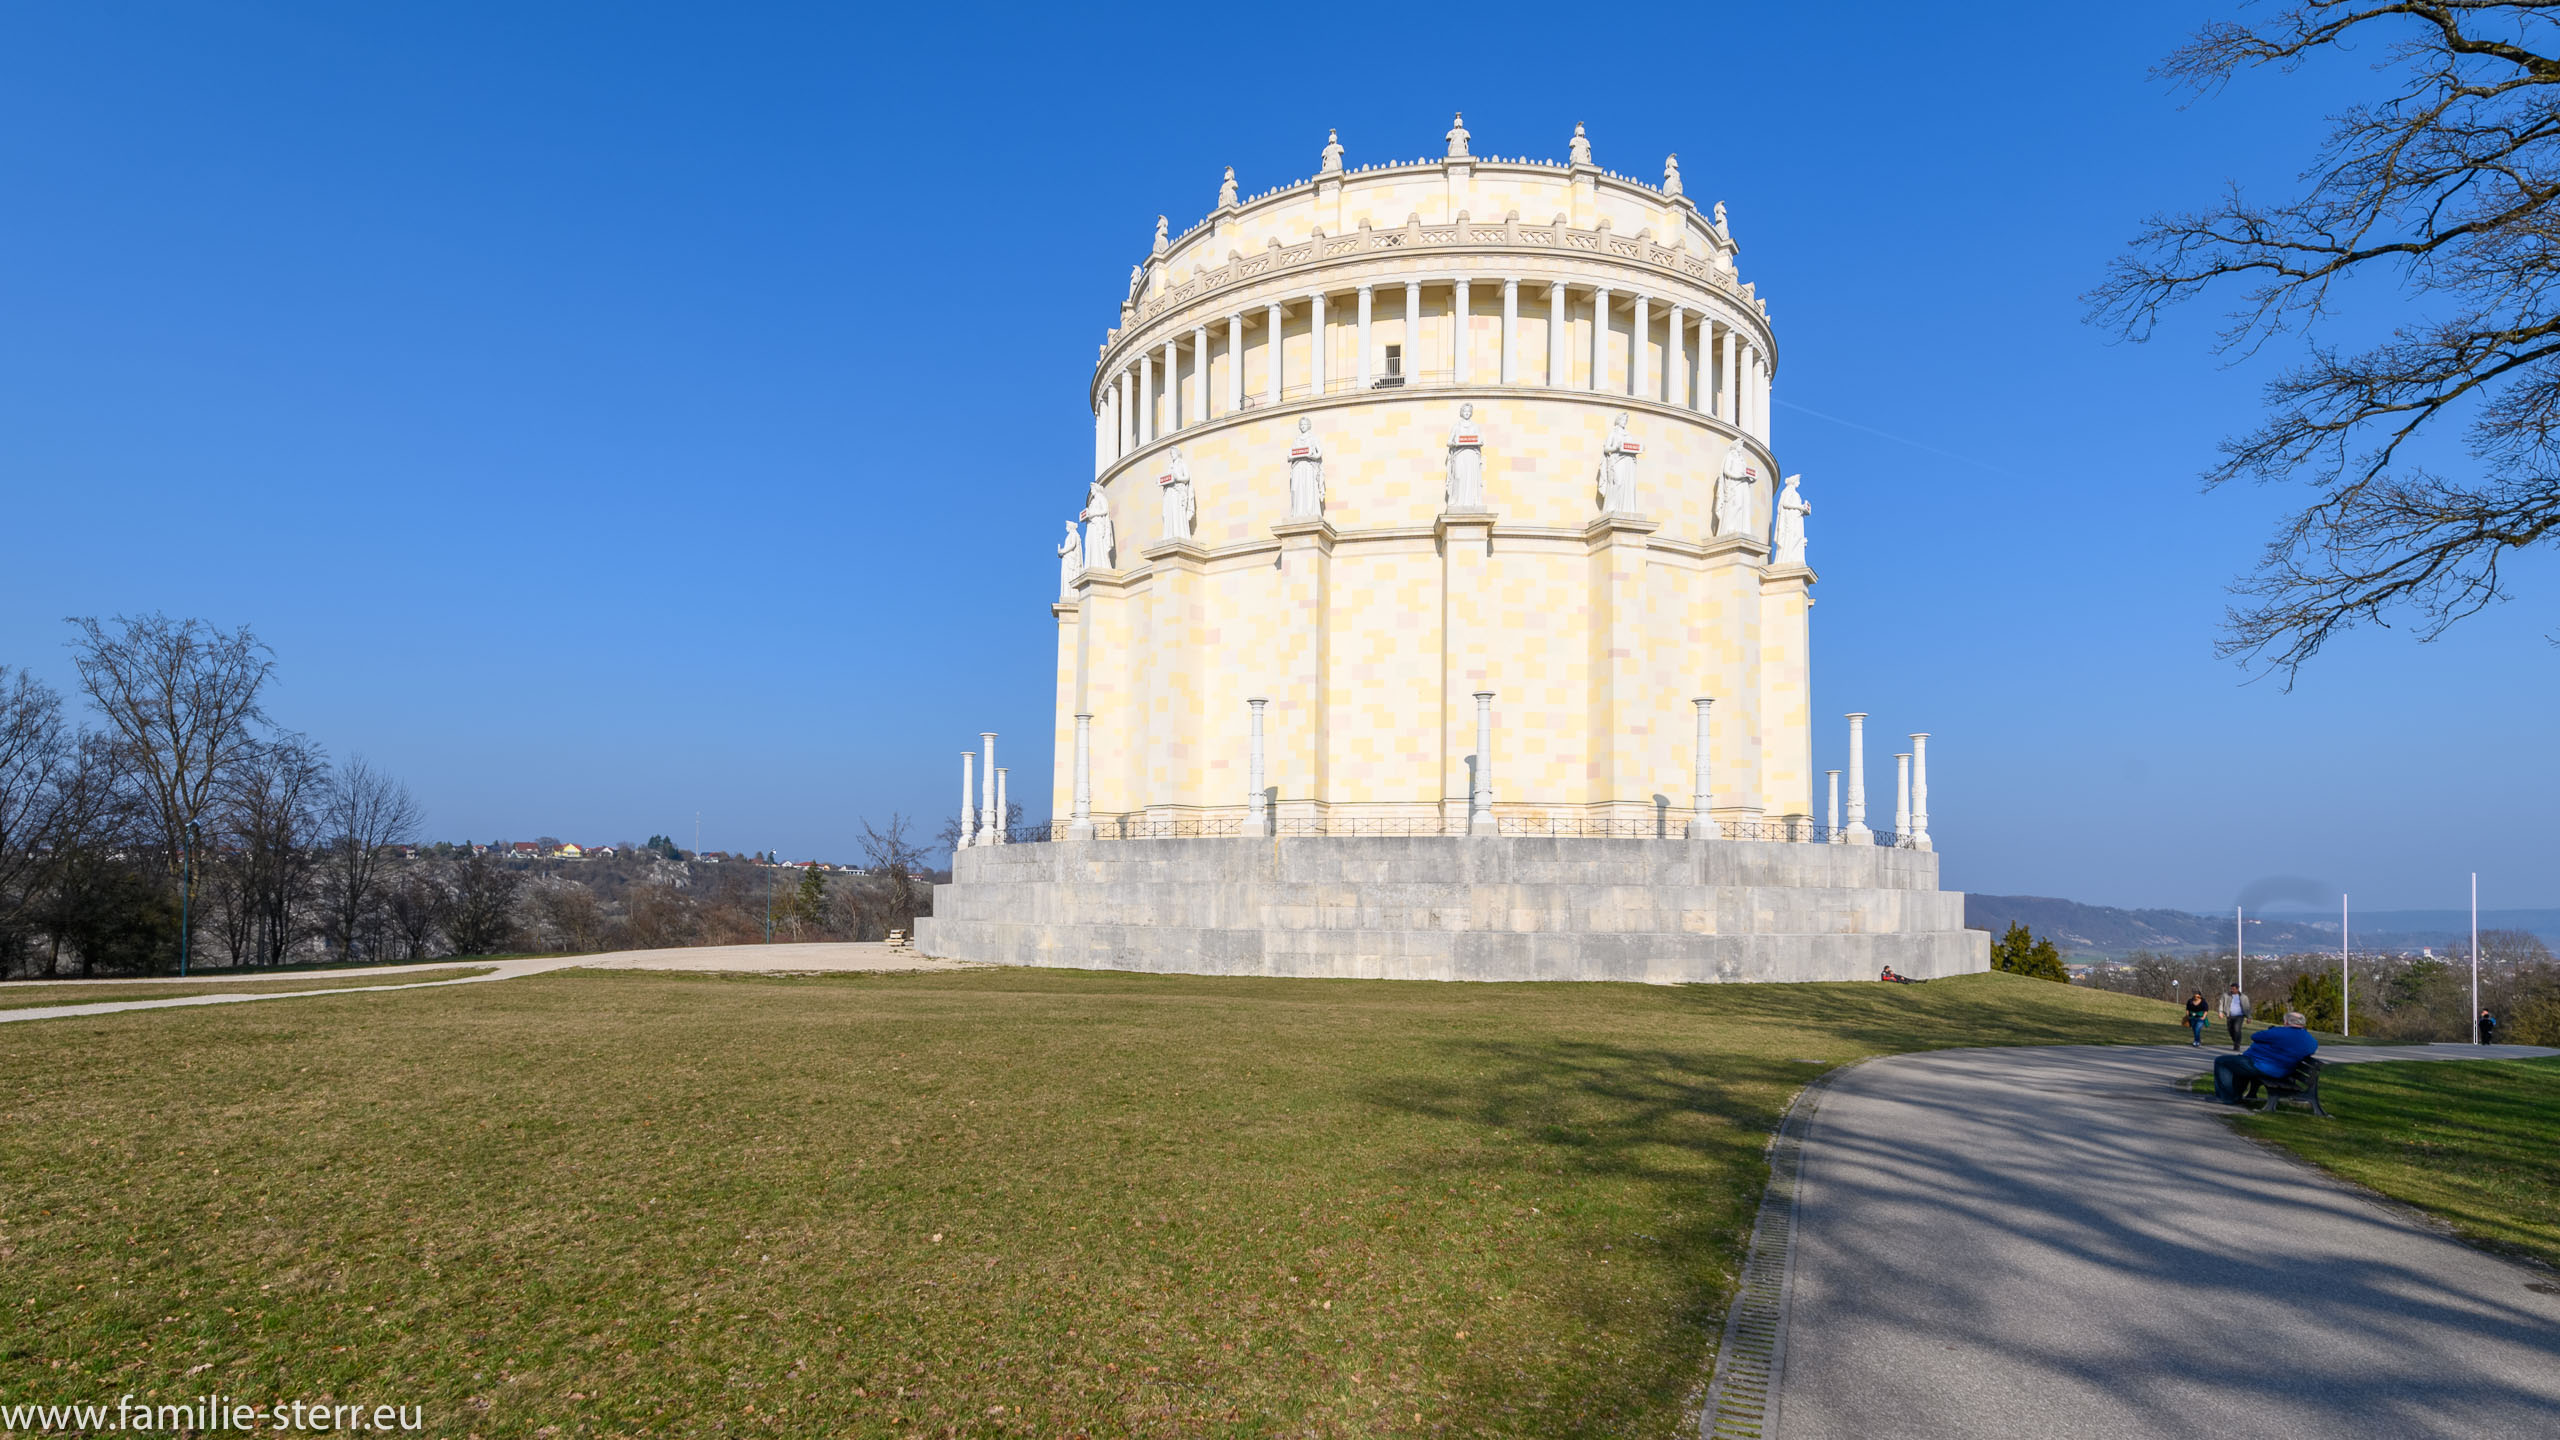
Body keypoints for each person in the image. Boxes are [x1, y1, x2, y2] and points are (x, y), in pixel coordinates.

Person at [2213, 1010, 2318, 1105]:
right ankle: (2236, 1096)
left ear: (2287, 1022)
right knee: (2239, 1064)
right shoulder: (2311, 1040)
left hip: (2263, 1066)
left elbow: (2255, 1036)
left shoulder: (2279, 1032)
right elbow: (2308, 1050)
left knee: (2221, 1061)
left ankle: (2226, 1097)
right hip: (2284, 1071)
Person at [2221, 983, 2250, 1050]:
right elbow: (2221, 1003)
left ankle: (2237, 1045)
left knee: (2237, 1029)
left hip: (2239, 1016)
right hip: (2230, 1015)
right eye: (2231, 988)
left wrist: (2249, 1017)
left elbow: (2247, 1007)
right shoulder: (2226, 995)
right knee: (2230, 1030)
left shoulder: (2243, 997)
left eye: (2233, 989)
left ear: (2237, 989)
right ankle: (2236, 1041)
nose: (2231, 990)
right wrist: (2220, 1012)